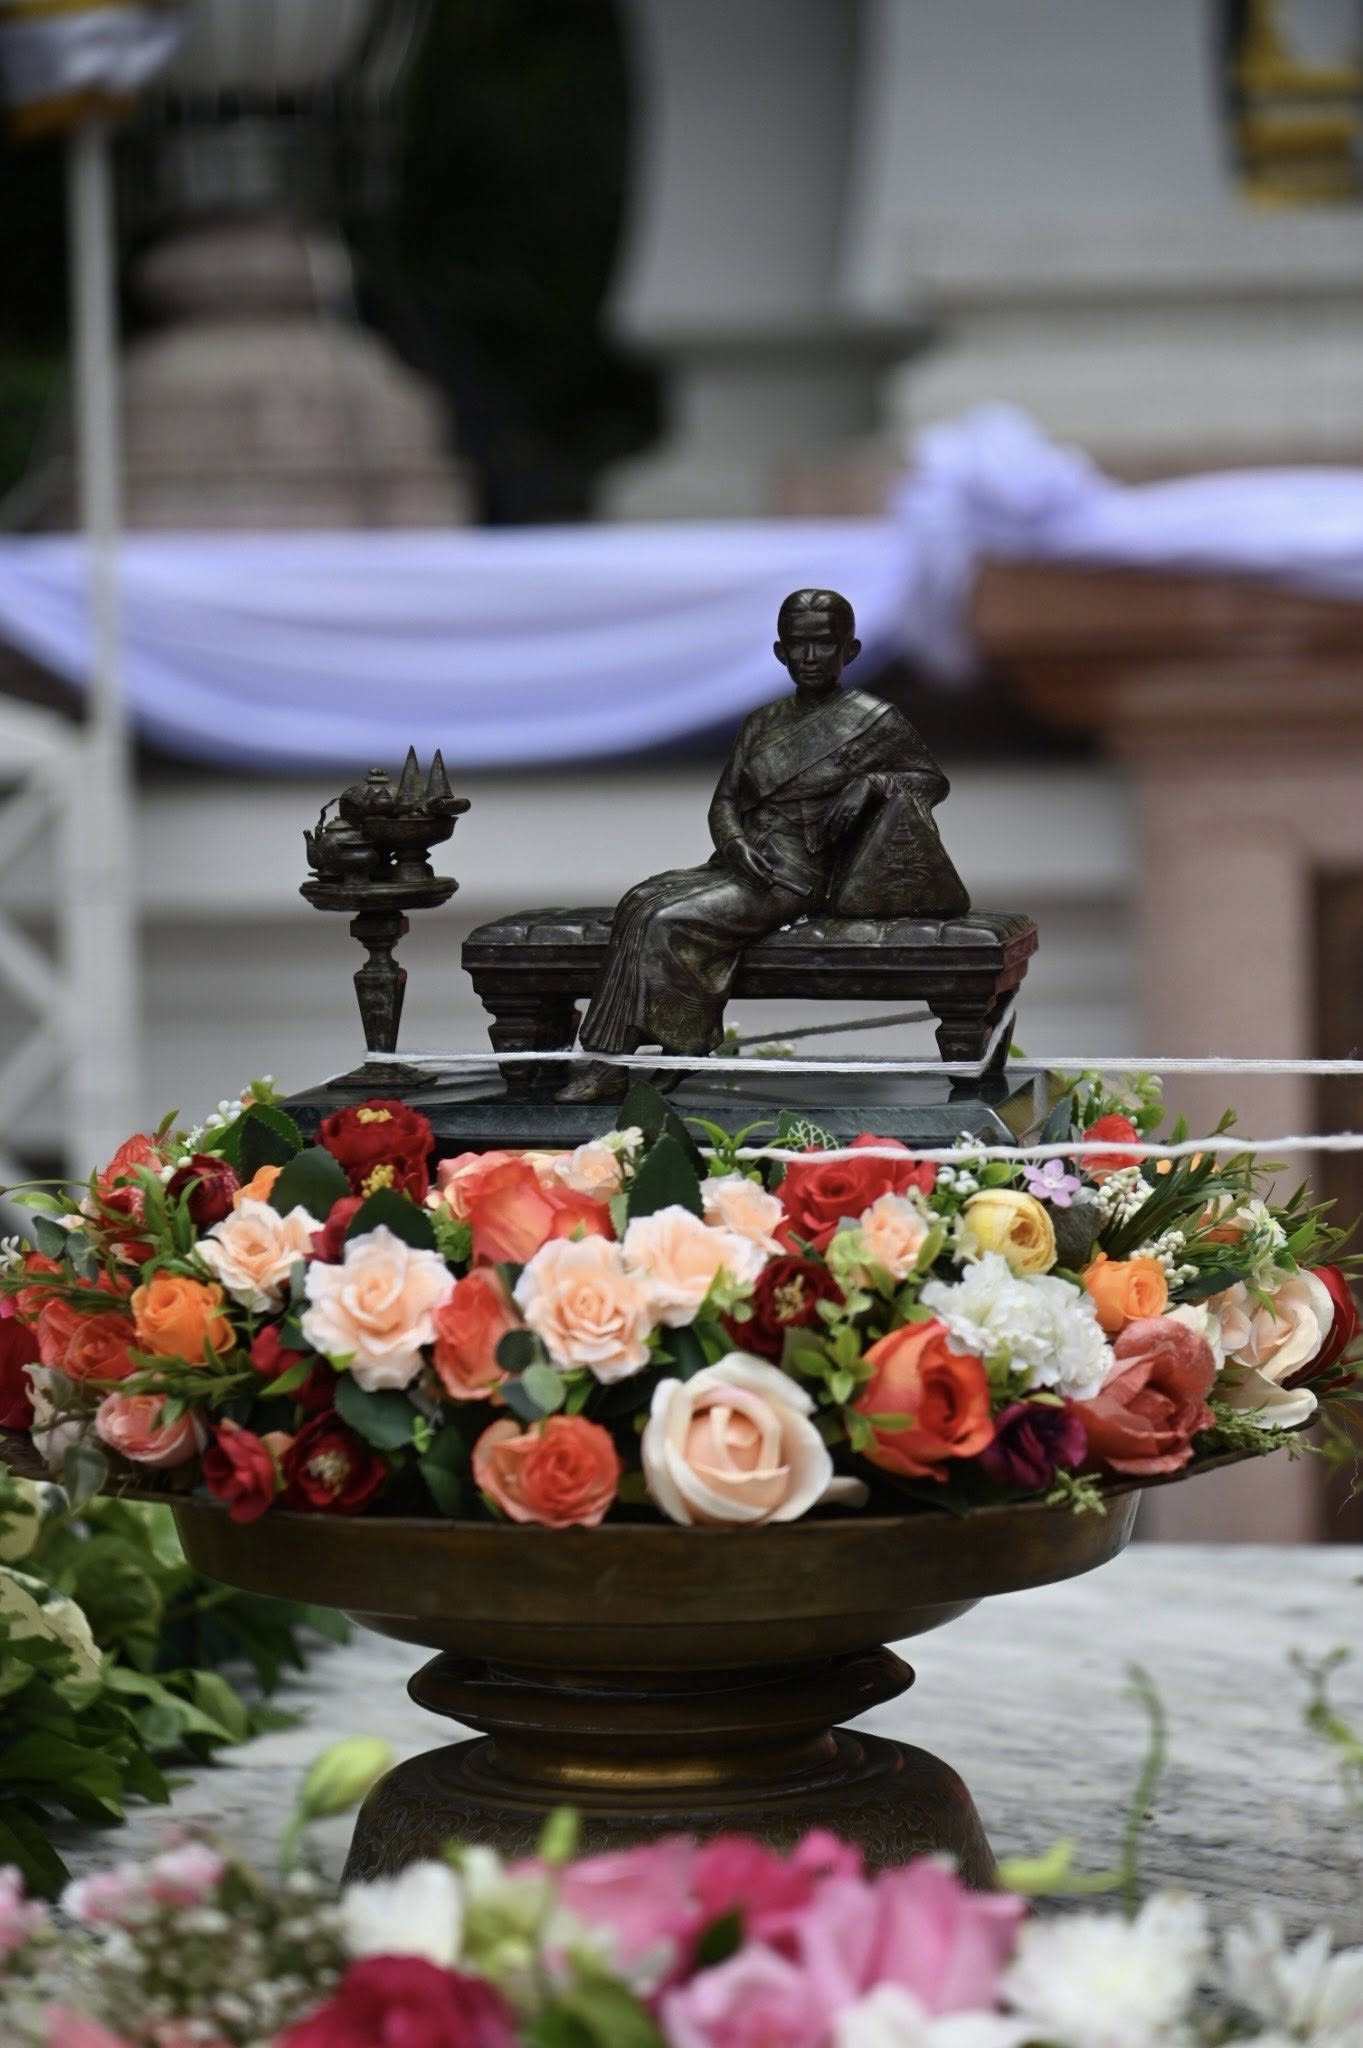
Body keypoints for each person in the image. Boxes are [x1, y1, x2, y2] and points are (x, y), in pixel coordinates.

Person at [558, 588, 968, 1102]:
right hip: (746, 862)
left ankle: (630, 1059)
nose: (810, 657)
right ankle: (640, 1050)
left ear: (850, 650)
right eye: (798, 644)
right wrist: (733, 843)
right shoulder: (761, 722)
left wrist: (873, 783)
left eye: (824, 643)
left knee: (665, 920)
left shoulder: (873, 719)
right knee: (639, 901)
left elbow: (930, 781)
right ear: (780, 651)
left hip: (800, 875)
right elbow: (726, 800)